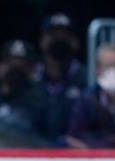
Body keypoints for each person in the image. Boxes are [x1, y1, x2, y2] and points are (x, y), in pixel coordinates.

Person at [35, 13, 86, 145]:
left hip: (77, 154)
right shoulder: (31, 79)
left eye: (65, 35)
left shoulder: (87, 78)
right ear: (42, 41)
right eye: (53, 35)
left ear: (75, 42)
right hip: (33, 151)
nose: (59, 39)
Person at [0, 39, 47, 147]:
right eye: (10, 64)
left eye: (21, 66)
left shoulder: (42, 103)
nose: (15, 70)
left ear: (32, 70)